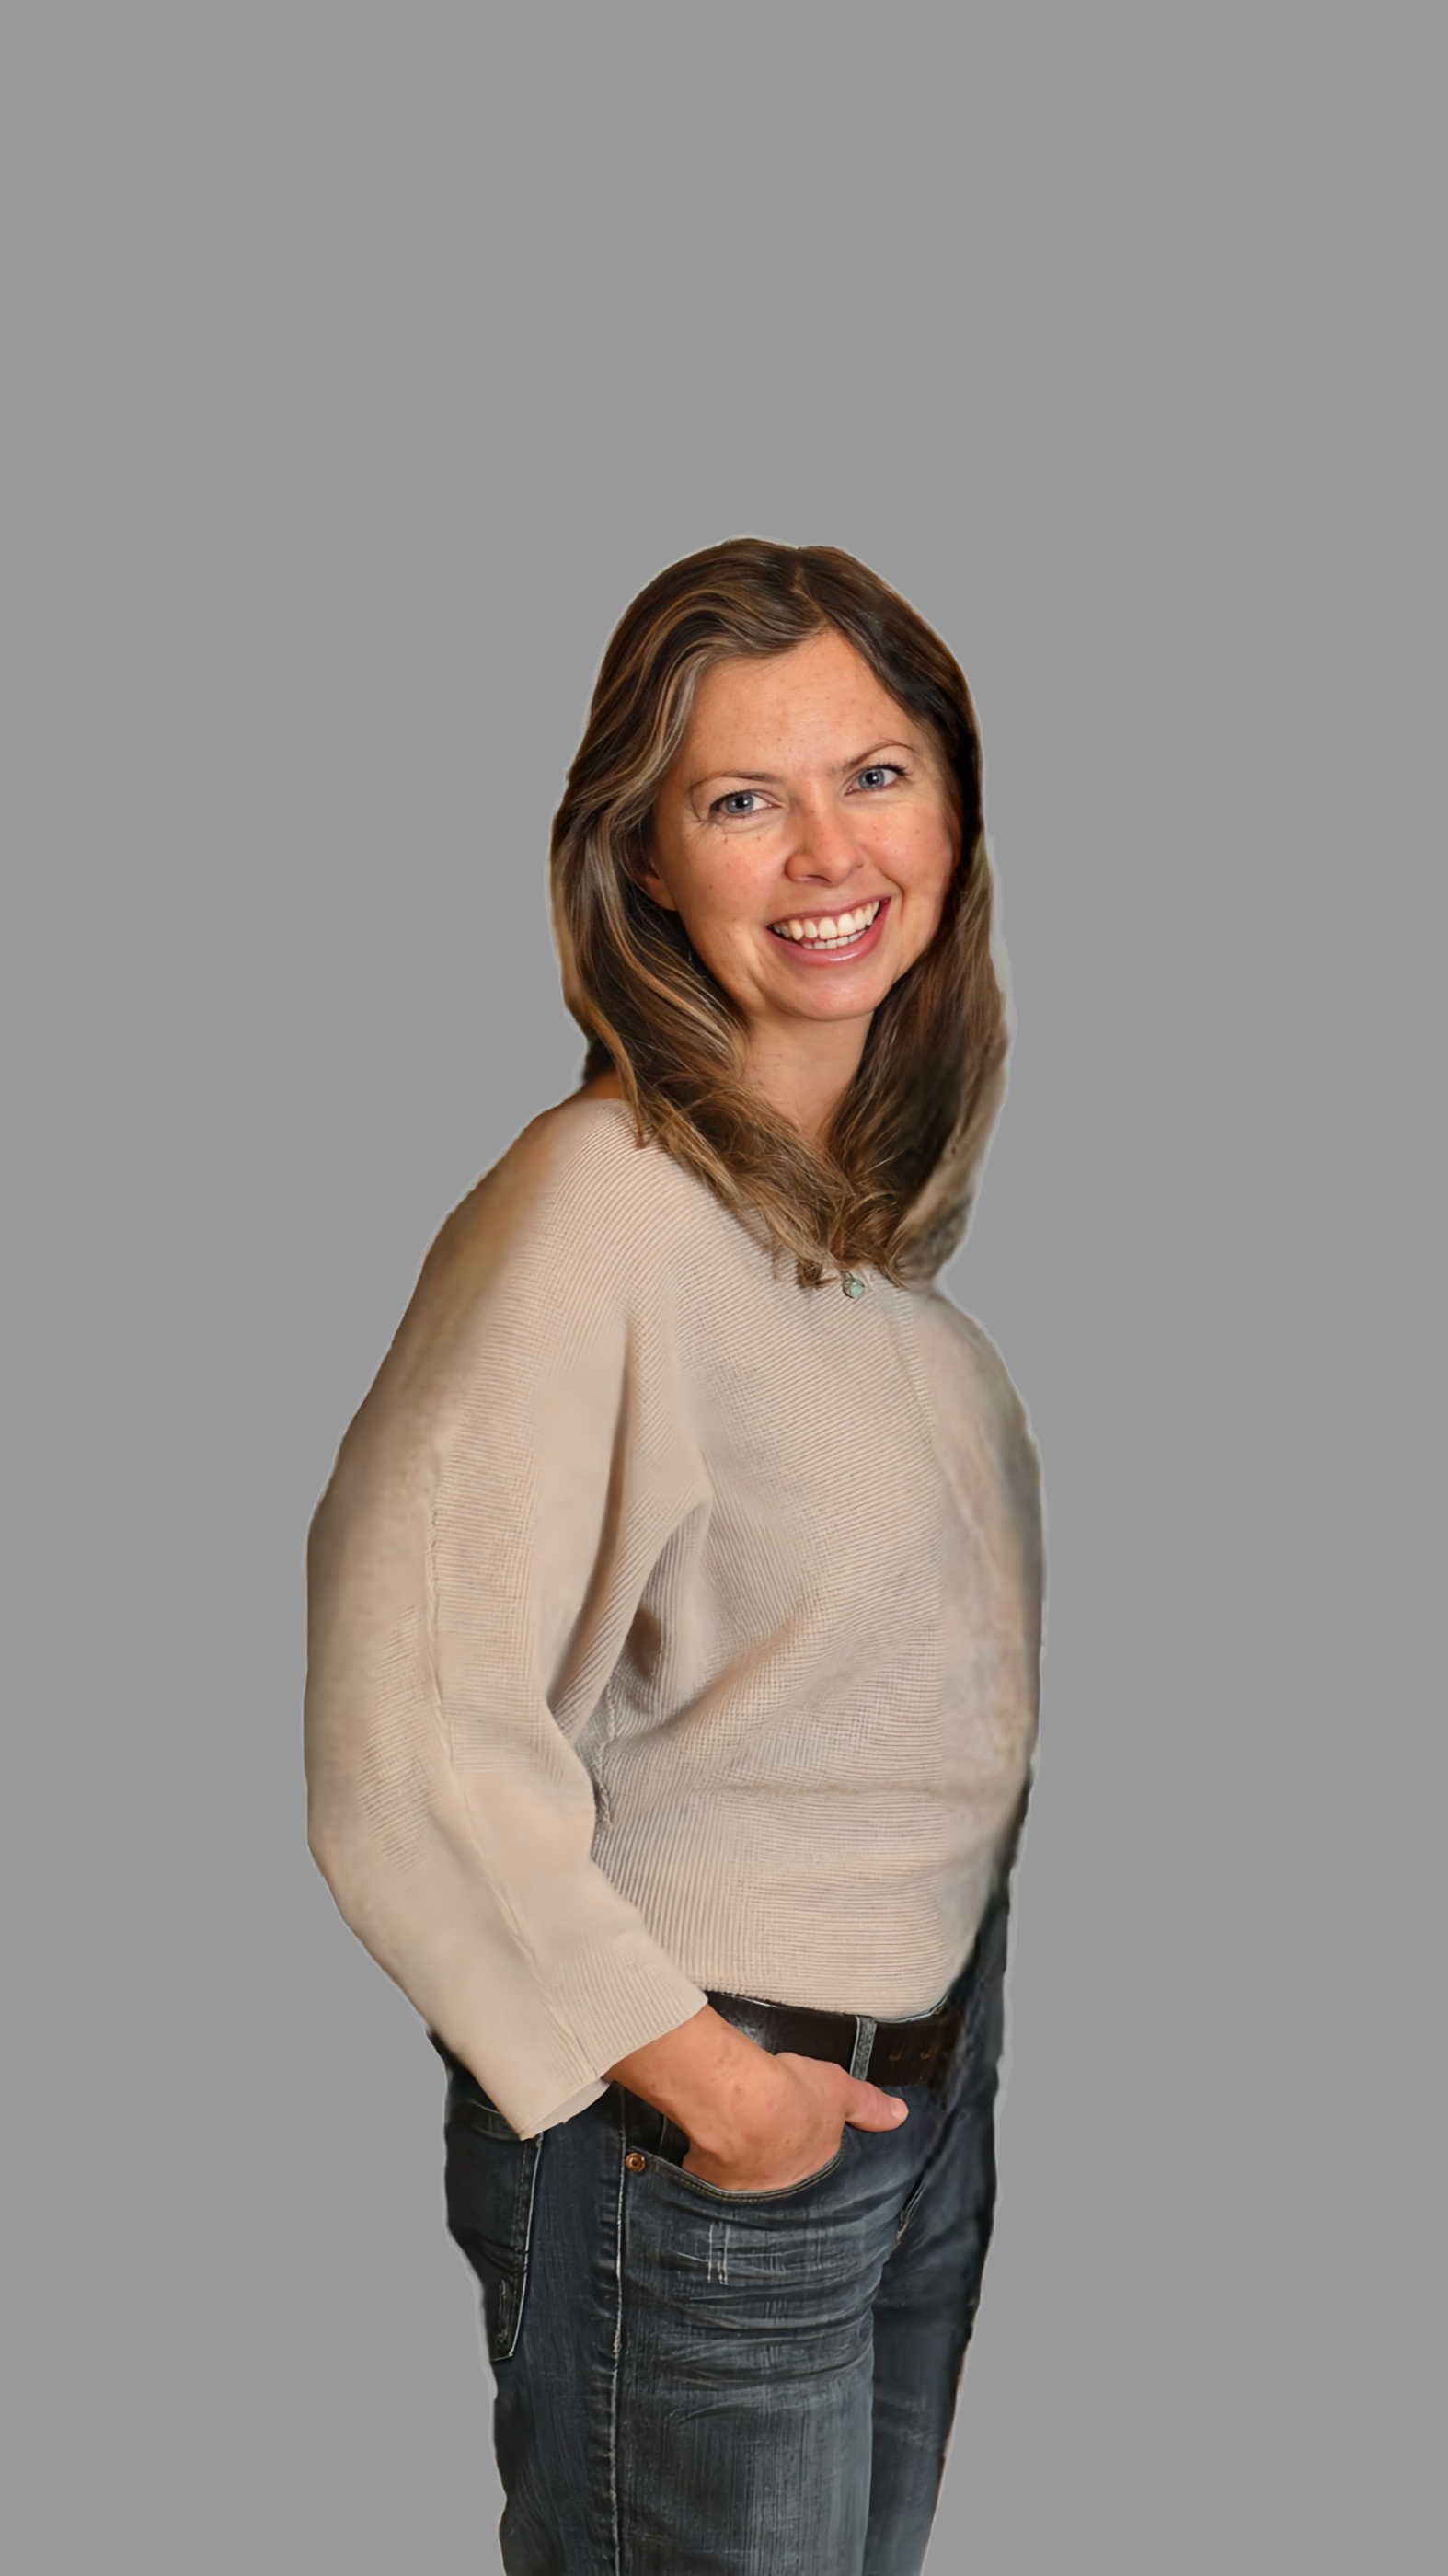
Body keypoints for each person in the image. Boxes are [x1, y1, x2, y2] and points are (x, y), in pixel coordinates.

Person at [304, 537, 1044, 2576]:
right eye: (741, 798)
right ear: (643, 860)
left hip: (900, 2105)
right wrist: (716, 2092)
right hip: (703, 2134)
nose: (827, 847)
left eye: (876, 773)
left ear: (956, 807)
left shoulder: (860, 1267)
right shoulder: (591, 1212)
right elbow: (407, 1736)